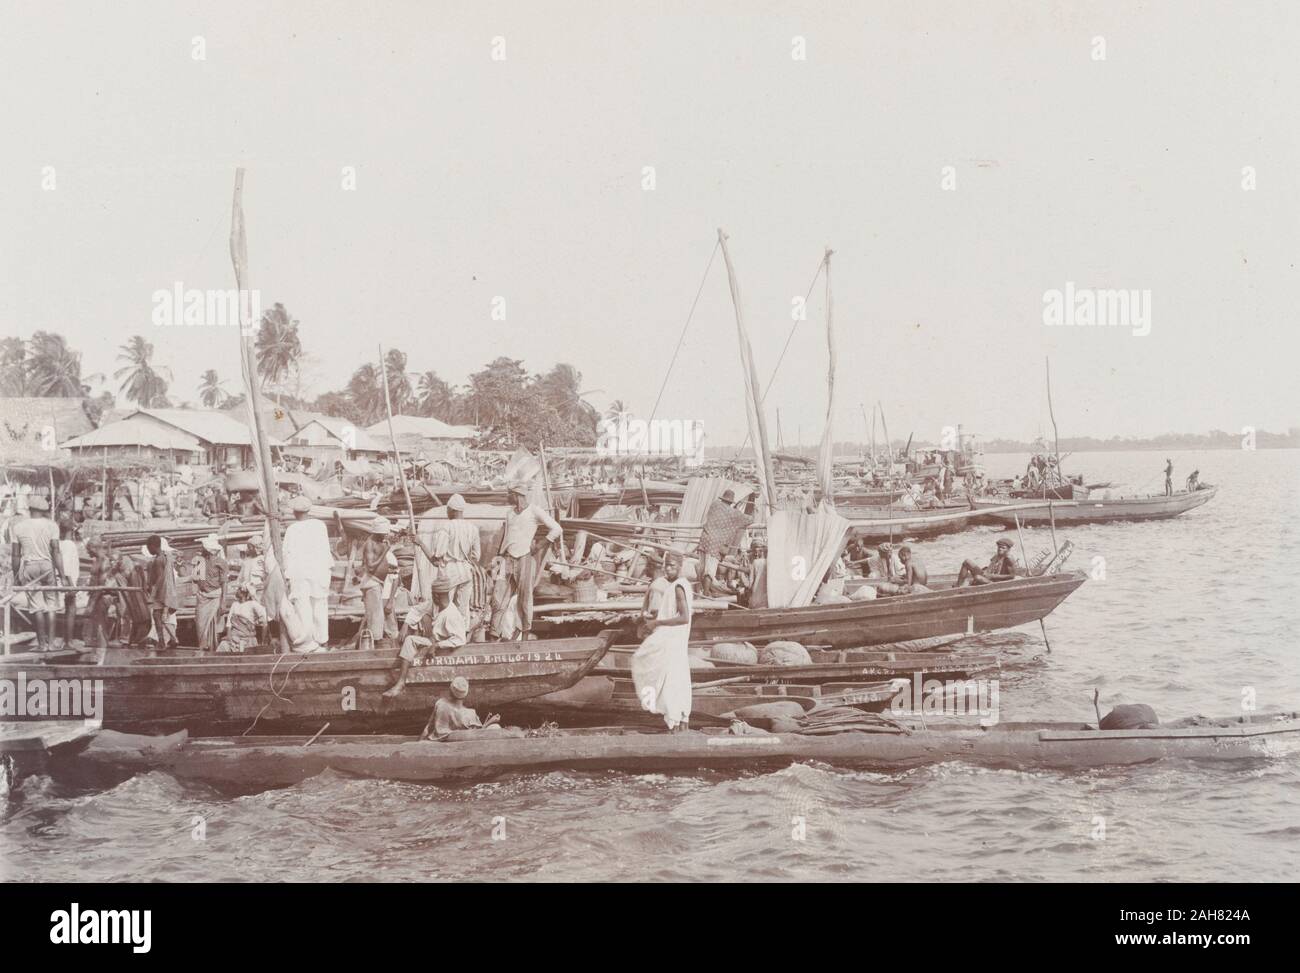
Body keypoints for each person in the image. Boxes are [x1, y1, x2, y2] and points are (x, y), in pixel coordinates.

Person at [631, 551, 693, 732]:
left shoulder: (678, 587)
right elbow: (673, 613)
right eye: (666, 564)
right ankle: (681, 721)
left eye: (672, 565)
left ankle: (675, 721)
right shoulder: (680, 585)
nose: (668, 568)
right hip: (676, 640)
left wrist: (657, 622)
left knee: (645, 661)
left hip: (672, 639)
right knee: (677, 678)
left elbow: (684, 617)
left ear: (680, 567)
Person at [494, 482, 561, 641]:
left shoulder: (534, 511)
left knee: (525, 598)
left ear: (517, 495)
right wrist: (499, 555)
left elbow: (557, 529)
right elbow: (507, 536)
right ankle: (495, 633)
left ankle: (523, 632)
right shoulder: (510, 513)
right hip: (508, 558)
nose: (507, 497)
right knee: (499, 597)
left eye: (509, 494)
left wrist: (539, 545)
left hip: (524, 557)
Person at [382, 597, 468, 696]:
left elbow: (460, 639)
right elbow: (416, 609)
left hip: (444, 645)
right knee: (409, 639)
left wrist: (437, 646)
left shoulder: (452, 613)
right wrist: (406, 624)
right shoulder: (434, 603)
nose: (432, 596)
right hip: (432, 641)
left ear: (439, 595)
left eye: (434, 594)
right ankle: (401, 683)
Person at [10, 495, 63, 652]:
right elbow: (56, 551)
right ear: (43, 510)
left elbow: (15, 555)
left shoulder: (18, 527)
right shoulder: (52, 525)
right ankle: (52, 644)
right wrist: (62, 574)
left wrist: (15, 576)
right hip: (47, 566)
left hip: (30, 567)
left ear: (30, 509)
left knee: (36, 607)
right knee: (51, 606)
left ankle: (41, 644)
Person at [411, 493, 480, 614]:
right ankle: (461, 632)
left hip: (449, 572)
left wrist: (420, 543)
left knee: (442, 608)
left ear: (451, 510)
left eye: (447, 510)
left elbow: (436, 559)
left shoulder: (446, 527)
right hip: (466, 571)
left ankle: (441, 632)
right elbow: (476, 556)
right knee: (463, 611)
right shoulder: (473, 528)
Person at [281, 495, 332, 649]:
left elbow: (286, 553)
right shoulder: (320, 525)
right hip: (318, 571)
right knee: (320, 604)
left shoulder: (292, 529)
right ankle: (323, 640)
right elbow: (325, 549)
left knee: (303, 606)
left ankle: (307, 641)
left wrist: (287, 574)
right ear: (308, 510)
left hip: (300, 572)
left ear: (295, 512)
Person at [695, 489, 751, 596]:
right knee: (709, 570)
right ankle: (706, 593)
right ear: (731, 502)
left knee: (701, 567)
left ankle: (700, 590)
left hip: (704, 539)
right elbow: (748, 519)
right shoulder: (733, 513)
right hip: (715, 544)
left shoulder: (714, 505)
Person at [419, 676, 496, 741]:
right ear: (466, 694)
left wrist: (418, 743)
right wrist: (491, 721)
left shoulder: (441, 704)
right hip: (460, 742)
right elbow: (477, 733)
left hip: (440, 739)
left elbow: (428, 727)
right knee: (495, 727)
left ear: (450, 691)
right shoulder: (470, 713)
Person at [193, 534, 227, 653]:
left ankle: (213, 649)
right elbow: (196, 578)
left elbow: (224, 583)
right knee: (200, 623)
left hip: (215, 596)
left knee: (216, 625)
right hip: (202, 596)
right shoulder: (201, 561)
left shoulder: (221, 562)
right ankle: (203, 647)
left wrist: (223, 602)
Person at [144, 534, 179, 649]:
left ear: (153, 546)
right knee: (163, 618)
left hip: (161, 592)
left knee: (156, 615)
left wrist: (152, 590)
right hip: (166, 591)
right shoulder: (165, 557)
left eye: (149, 548)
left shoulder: (158, 560)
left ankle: (162, 642)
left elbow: (160, 578)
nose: (148, 550)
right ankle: (173, 639)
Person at [218, 584, 268, 654]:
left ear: (245, 593)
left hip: (248, 638)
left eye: (239, 589)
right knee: (223, 646)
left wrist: (263, 641)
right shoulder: (234, 604)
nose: (237, 591)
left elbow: (265, 620)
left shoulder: (253, 604)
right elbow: (229, 623)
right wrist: (229, 636)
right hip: (234, 637)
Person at [956, 537, 1021, 587]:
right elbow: (990, 567)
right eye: (999, 547)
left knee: (977, 577)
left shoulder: (1009, 558)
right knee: (967, 562)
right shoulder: (996, 556)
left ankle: (987, 585)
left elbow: (1012, 576)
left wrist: (992, 576)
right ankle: (959, 586)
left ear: (1008, 549)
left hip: (996, 581)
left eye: (1003, 548)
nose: (1000, 549)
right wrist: (986, 572)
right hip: (988, 576)